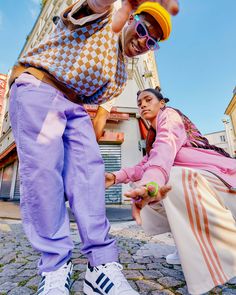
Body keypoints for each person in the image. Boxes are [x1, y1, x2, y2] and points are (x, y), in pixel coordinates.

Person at [8, 1, 179, 294]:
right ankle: (54, 267)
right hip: (39, 87)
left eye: (151, 41)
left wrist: (89, 142)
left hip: (74, 106)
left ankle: (100, 267)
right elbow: (92, 6)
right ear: (130, 18)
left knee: (89, 176)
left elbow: (100, 110)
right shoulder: (106, 19)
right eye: (141, 29)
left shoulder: (121, 74)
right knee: (44, 176)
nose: (143, 41)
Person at [106, 88, 236, 295]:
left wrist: (153, 182)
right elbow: (144, 165)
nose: (142, 105)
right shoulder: (153, 136)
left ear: (162, 103)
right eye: (139, 103)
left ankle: (221, 253)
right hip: (204, 182)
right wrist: (114, 177)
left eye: (148, 100)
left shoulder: (170, 117)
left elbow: (166, 147)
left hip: (224, 180)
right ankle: (186, 246)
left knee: (171, 178)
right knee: (144, 182)